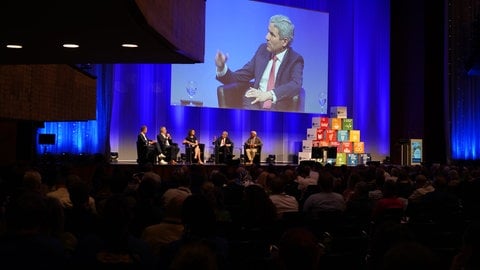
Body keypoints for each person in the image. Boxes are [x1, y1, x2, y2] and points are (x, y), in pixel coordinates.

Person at [215, 14, 304, 111]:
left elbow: (296, 84)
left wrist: (268, 95)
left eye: (272, 34)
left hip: (277, 109)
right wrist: (221, 67)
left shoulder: (295, 59)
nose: (266, 37)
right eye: (268, 32)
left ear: (284, 42)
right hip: (254, 105)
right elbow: (239, 77)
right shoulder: (262, 51)